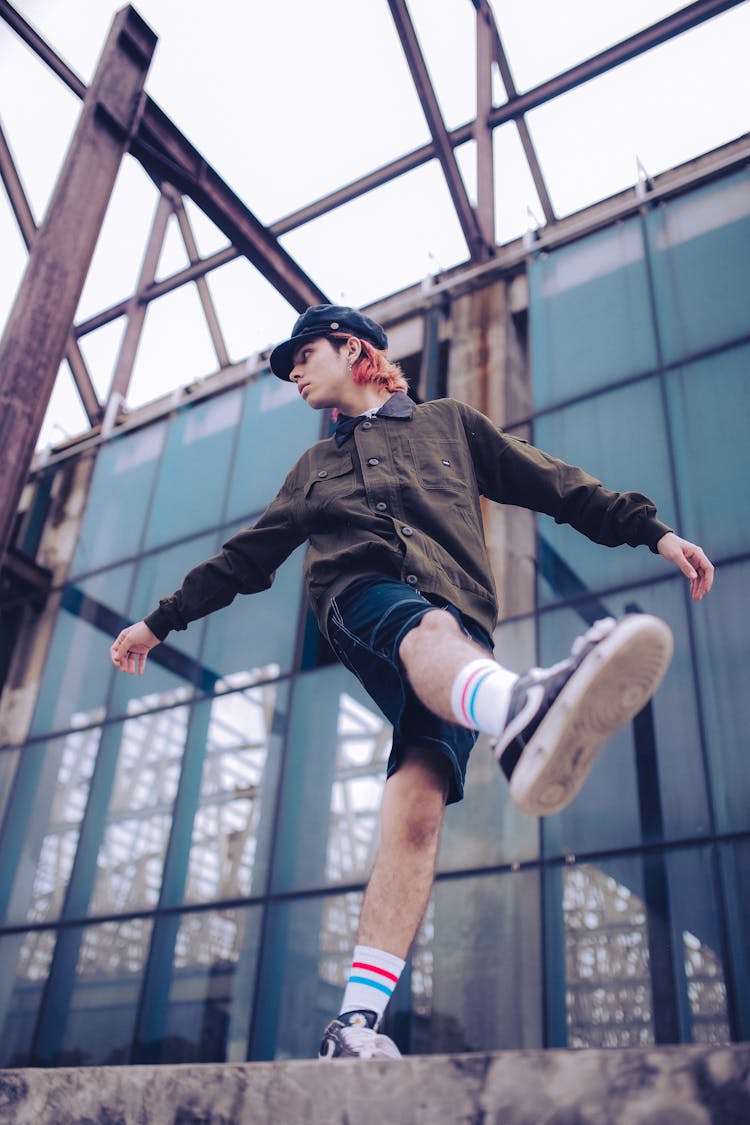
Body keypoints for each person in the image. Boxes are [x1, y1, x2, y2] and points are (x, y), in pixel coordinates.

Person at [110, 304, 714, 1061]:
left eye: (303, 355)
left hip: (458, 638)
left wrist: (651, 529)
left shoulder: (451, 425)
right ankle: (518, 710)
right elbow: (243, 560)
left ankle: (355, 1024)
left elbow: (553, 483)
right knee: (426, 629)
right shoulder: (313, 471)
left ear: (353, 349)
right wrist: (157, 622)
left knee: (419, 805)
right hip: (362, 600)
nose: (292, 372)